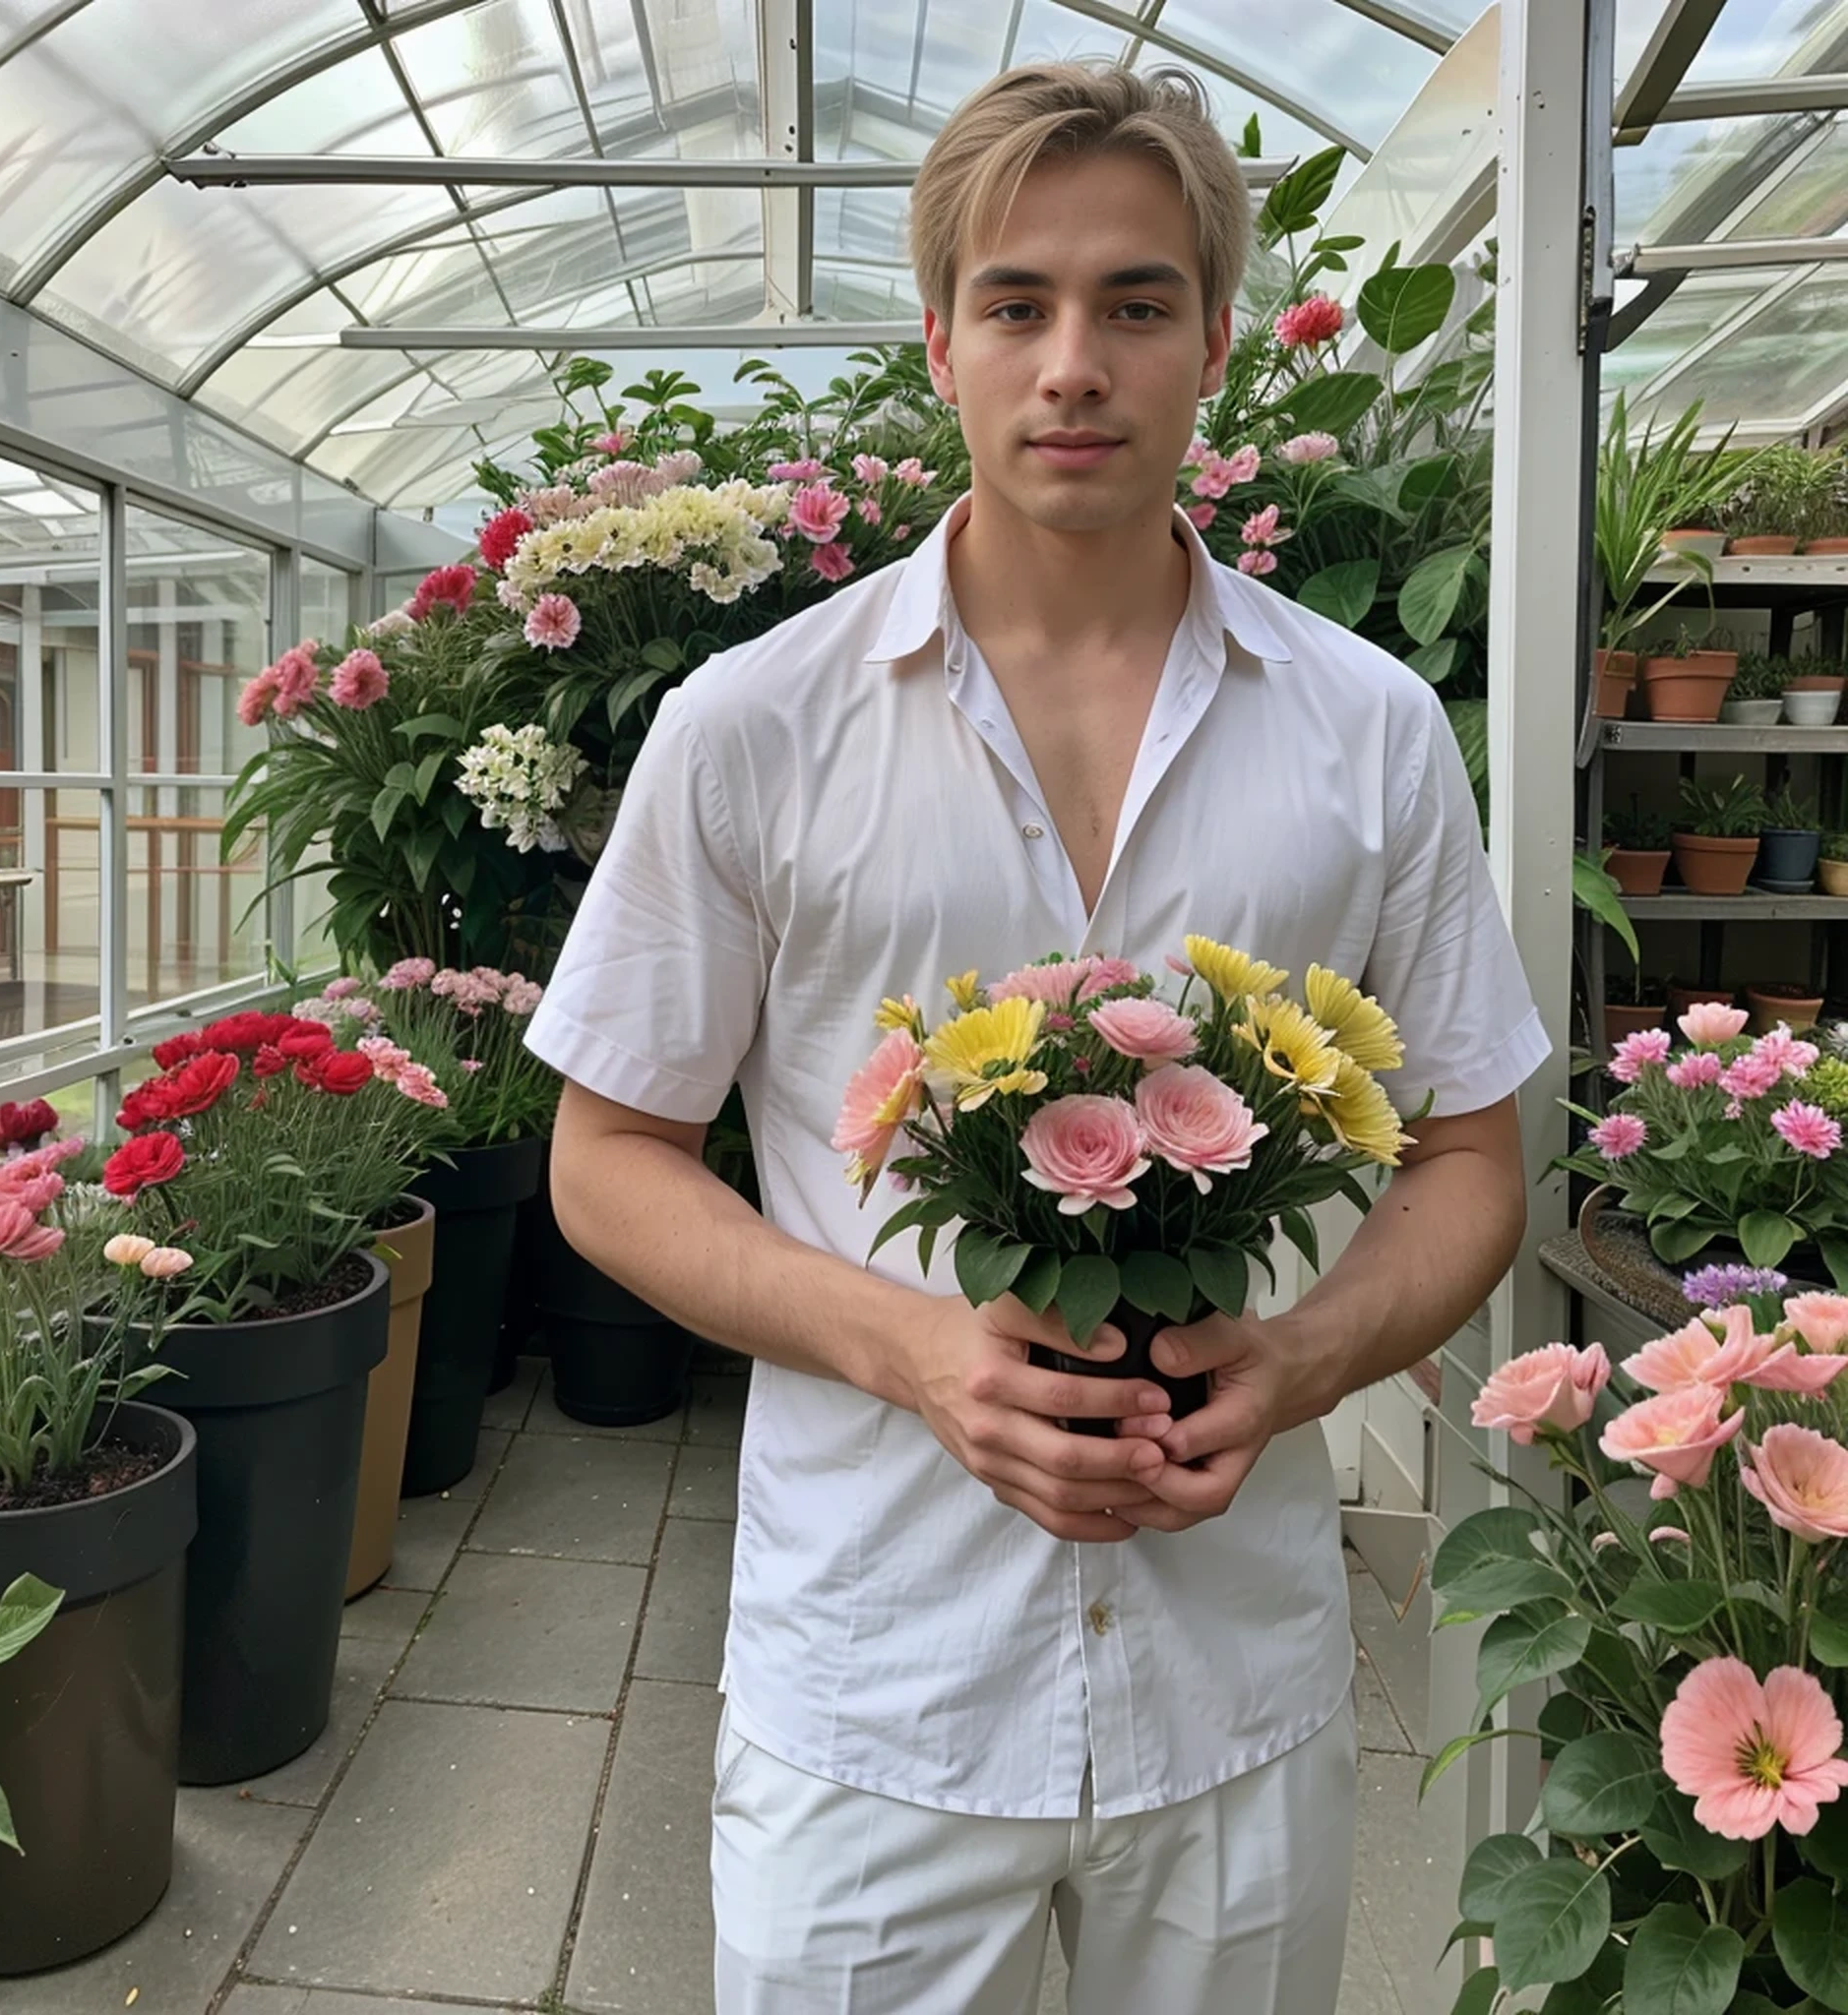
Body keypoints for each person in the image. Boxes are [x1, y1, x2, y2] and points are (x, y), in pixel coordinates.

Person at [524, 59, 1547, 2015]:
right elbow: (604, 1153)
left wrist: (1309, 1352)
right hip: (879, 1682)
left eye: (1134, 302)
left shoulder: (1362, 731)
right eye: (1018, 303)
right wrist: (913, 1346)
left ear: (1216, 340)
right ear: (941, 342)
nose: (1074, 360)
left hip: (1231, 1673)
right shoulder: (755, 725)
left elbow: (1472, 1151)